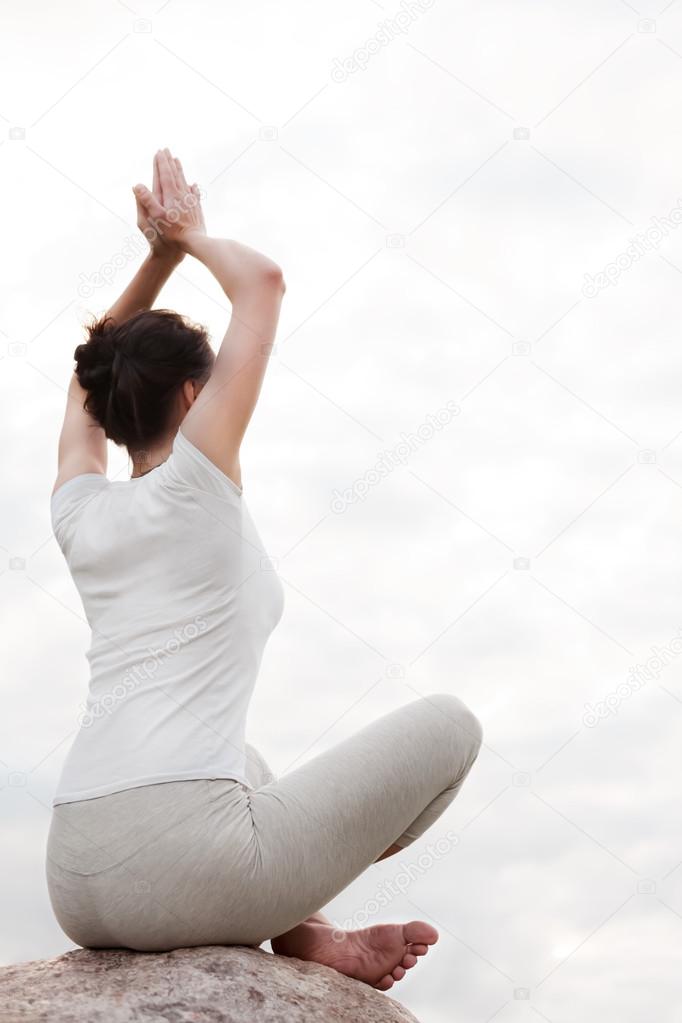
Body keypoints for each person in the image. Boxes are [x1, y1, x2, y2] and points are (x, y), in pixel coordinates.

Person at [46, 148, 483, 992]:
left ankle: (308, 930)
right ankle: (301, 891)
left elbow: (80, 379)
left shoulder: (77, 512)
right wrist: (191, 236)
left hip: (76, 874)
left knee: (242, 759)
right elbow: (263, 284)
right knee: (453, 724)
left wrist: (157, 260)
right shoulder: (199, 484)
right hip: (186, 867)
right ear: (190, 400)